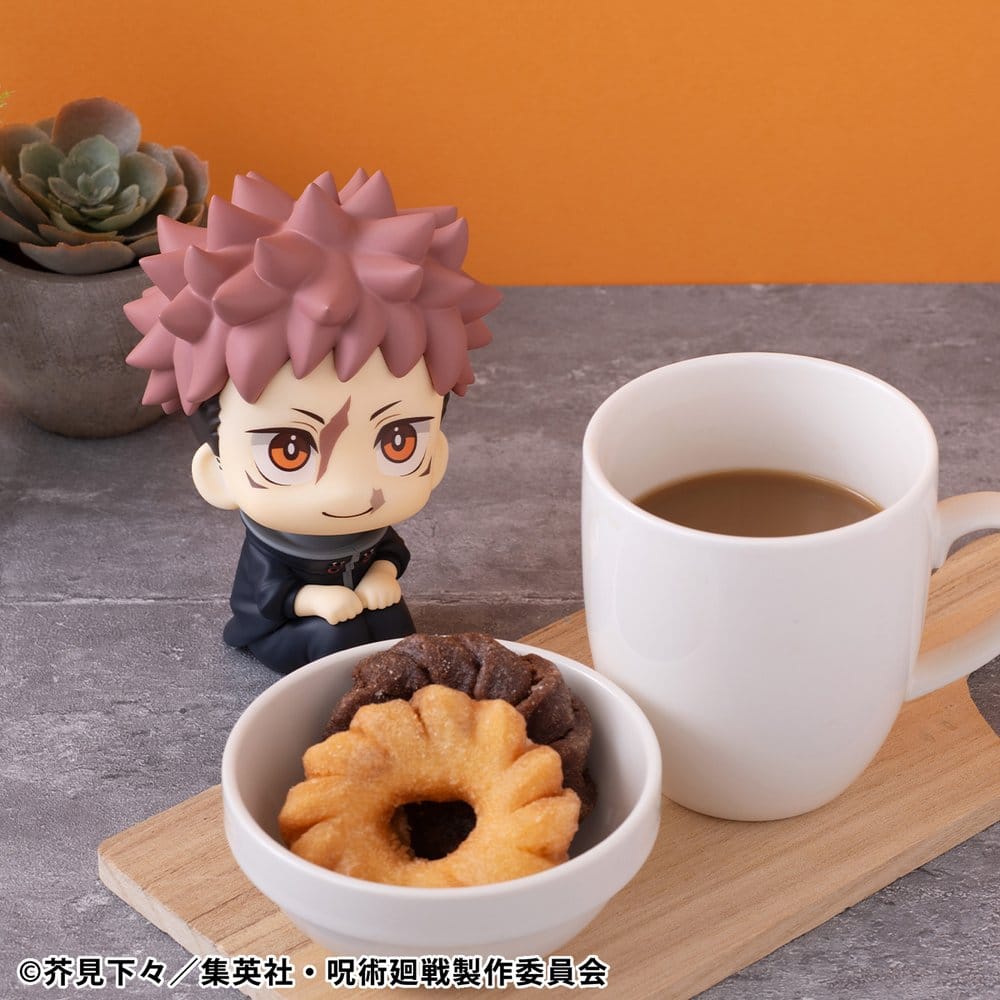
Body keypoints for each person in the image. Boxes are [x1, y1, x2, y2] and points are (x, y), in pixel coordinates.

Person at [125, 168, 500, 672]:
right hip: (287, 628)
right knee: (331, 639)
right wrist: (314, 600)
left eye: (399, 441)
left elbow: (391, 554)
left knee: (397, 628)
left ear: (436, 454)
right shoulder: (273, 547)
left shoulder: (372, 530)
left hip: (357, 604)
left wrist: (380, 576)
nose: (349, 489)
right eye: (290, 451)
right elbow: (262, 595)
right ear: (216, 473)